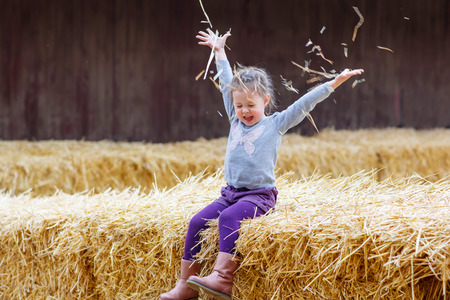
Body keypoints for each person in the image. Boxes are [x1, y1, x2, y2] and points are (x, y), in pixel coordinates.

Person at [159, 29, 364, 300]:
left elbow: (303, 104)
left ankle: (222, 278)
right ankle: (186, 285)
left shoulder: (275, 124)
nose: (244, 111)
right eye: (240, 105)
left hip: (258, 196)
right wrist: (219, 52)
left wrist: (333, 83)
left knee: (228, 219)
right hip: (229, 193)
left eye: (251, 105)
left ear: (265, 101)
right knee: (197, 221)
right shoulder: (234, 118)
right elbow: (226, 81)